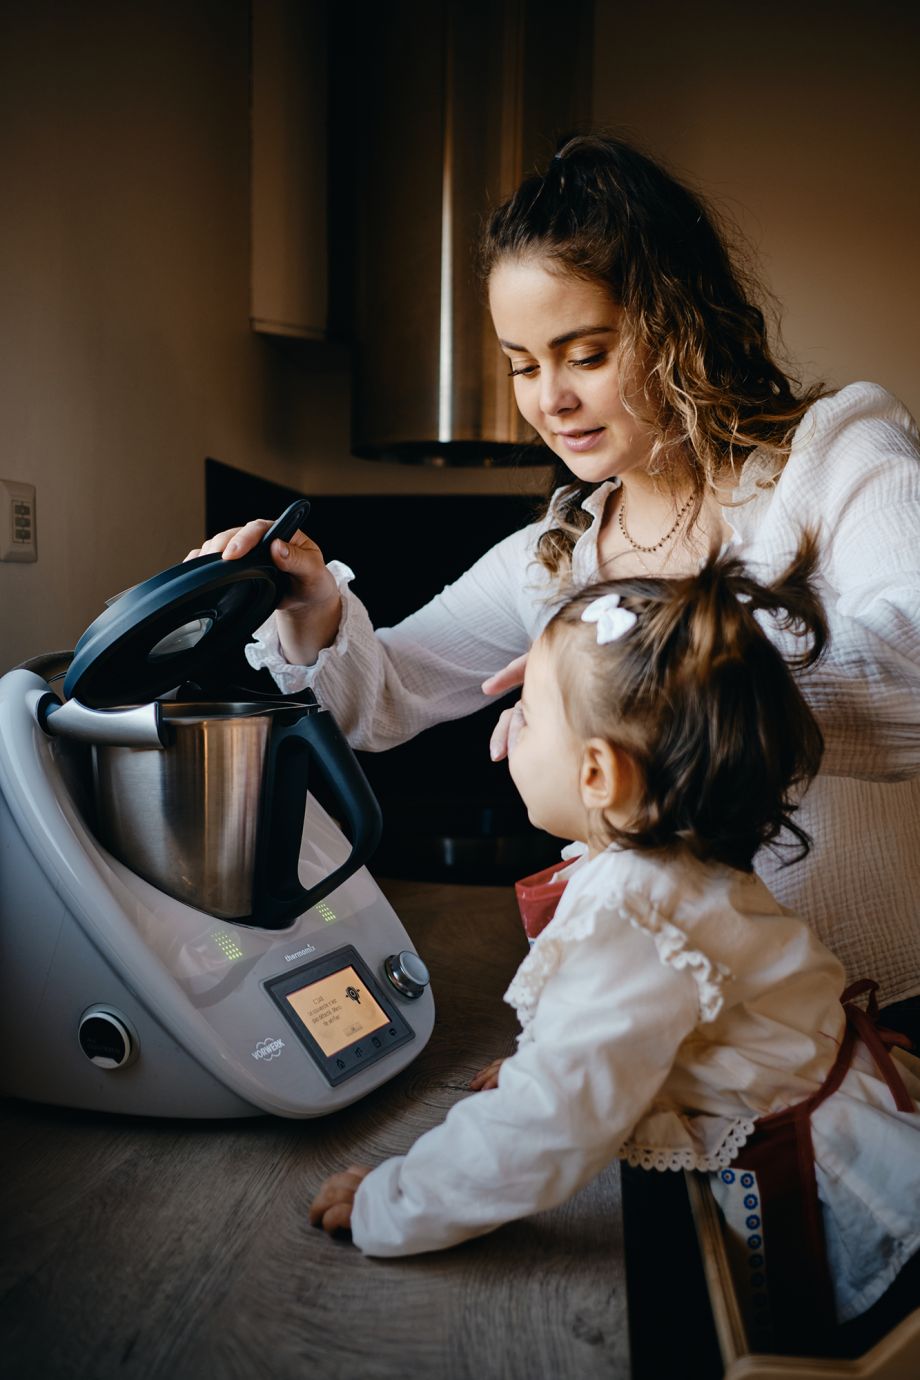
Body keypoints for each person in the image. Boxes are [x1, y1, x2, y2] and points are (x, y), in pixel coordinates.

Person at [188, 134, 920, 1037]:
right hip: (663, 1030)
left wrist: (618, 679)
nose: (550, 401)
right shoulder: (559, 555)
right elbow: (382, 700)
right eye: (524, 364)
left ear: (678, 323)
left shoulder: (834, 455)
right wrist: (312, 605)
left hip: (872, 1011)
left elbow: (911, 679)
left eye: (584, 352)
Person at [307, 544, 920, 1355]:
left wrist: (400, 1197)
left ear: (598, 775)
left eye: (525, 713)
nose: (504, 735)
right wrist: (558, 1046)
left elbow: (549, 1123)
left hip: (833, 1193)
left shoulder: (631, 911)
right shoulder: (668, 862)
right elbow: (642, 1029)